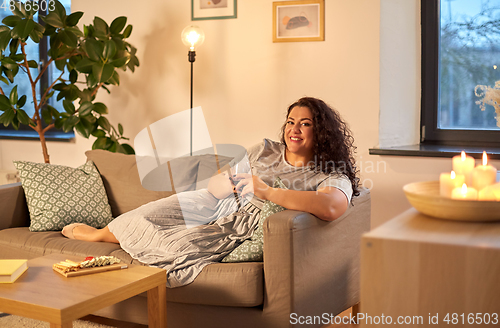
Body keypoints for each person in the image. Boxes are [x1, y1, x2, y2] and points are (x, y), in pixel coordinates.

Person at [61, 96, 359, 287]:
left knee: (180, 248)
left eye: (305, 124)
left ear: (320, 131)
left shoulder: (328, 172)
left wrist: (266, 191)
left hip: (241, 217)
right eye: (291, 122)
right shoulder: (266, 149)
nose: (294, 129)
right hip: (215, 201)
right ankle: (102, 234)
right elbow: (217, 184)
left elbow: (332, 206)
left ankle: (112, 246)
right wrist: (228, 181)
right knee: (147, 215)